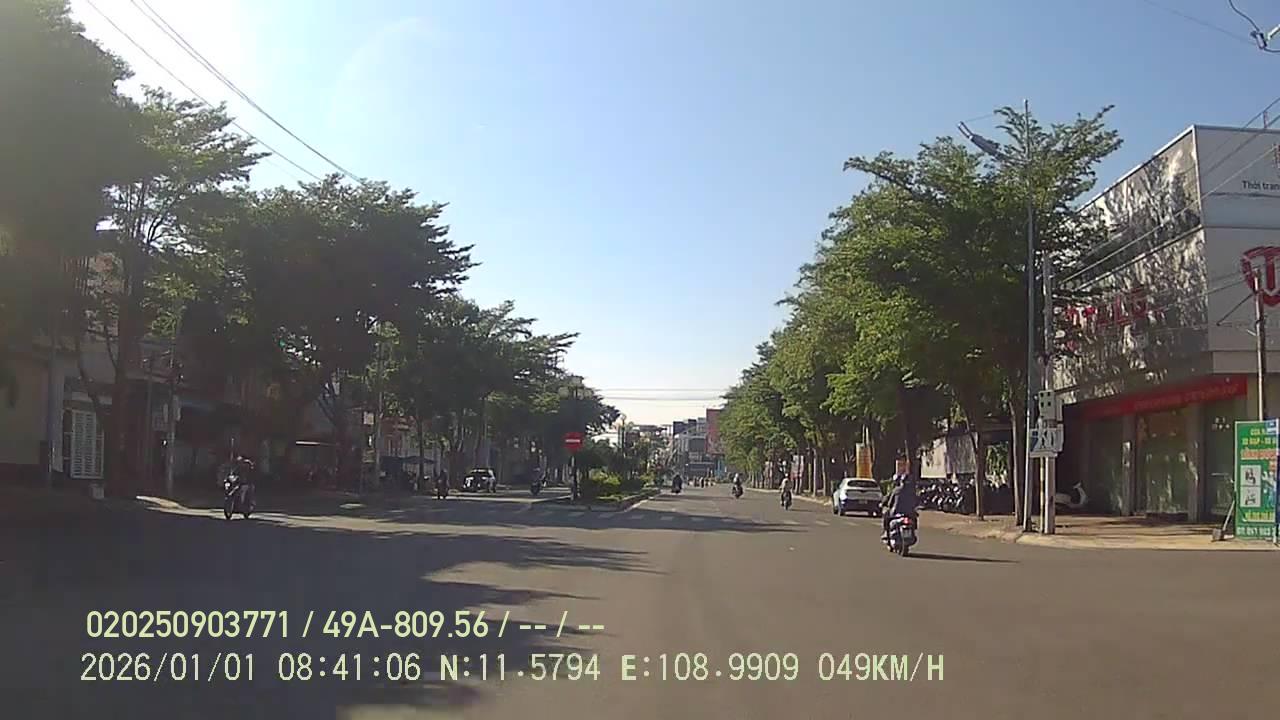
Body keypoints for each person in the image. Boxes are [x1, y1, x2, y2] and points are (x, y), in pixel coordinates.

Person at [881, 462, 919, 540]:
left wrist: (886, 504)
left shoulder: (896, 490)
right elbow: (917, 502)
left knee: (886, 514)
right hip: (909, 513)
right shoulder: (912, 491)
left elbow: (889, 502)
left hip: (896, 512)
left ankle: (886, 532)